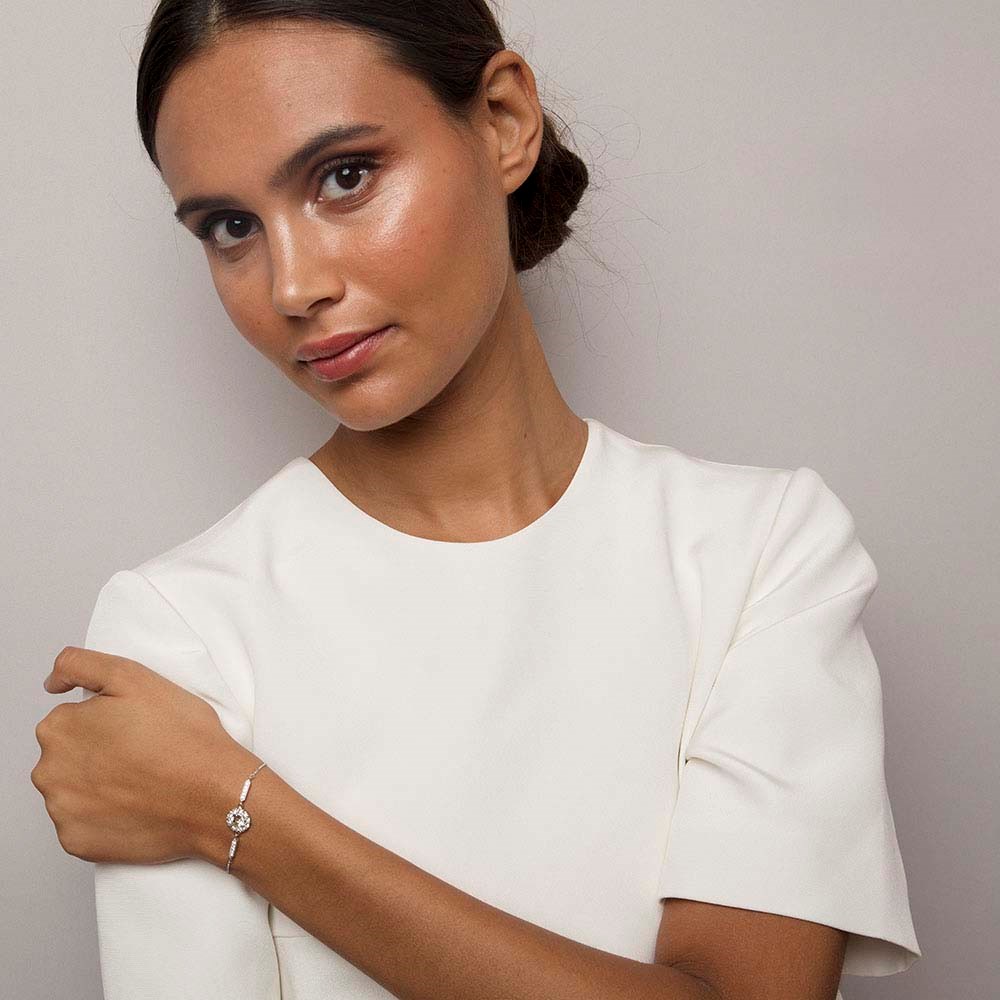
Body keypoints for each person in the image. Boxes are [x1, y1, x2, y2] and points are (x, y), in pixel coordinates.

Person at [31, 2, 921, 998]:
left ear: (503, 122)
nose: (292, 286)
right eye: (230, 227)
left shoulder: (759, 552)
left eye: (344, 176)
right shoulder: (178, 632)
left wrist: (236, 814)